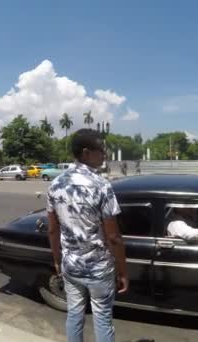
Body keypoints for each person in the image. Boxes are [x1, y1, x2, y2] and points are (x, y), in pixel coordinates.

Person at [47, 129, 128, 342]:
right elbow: (114, 237)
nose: (104, 154)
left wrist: (57, 260)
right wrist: (122, 271)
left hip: (71, 266)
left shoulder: (55, 185)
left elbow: (52, 230)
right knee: (102, 317)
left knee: (74, 313)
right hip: (99, 269)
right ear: (85, 153)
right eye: (101, 150)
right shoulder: (101, 186)